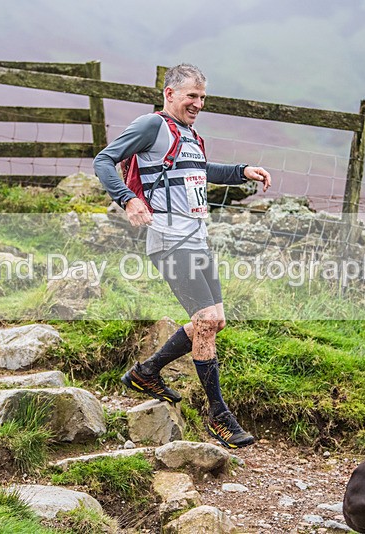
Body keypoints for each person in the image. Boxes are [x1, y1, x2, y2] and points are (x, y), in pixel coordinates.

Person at [93, 63, 271, 449]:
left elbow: (202, 171)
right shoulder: (151, 125)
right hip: (170, 241)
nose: (198, 103)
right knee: (205, 320)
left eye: (203, 97)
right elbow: (103, 161)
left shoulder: (188, 135)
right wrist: (128, 200)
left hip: (198, 240)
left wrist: (243, 171)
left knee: (215, 320)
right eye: (192, 95)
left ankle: (146, 372)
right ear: (169, 93)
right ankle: (219, 416)